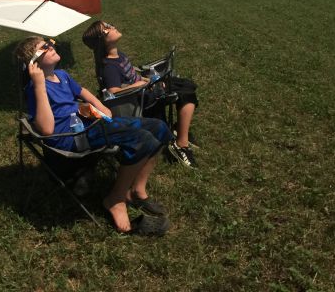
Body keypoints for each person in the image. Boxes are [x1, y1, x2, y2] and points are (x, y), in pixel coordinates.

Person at [14, 36, 173, 235]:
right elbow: (46, 129)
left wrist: (100, 106)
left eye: (50, 42)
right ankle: (115, 199)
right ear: (33, 64)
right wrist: (38, 85)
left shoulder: (62, 75)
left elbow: (83, 91)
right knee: (143, 139)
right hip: (72, 137)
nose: (52, 45)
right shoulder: (35, 88)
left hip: (90, 122)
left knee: (159, 128)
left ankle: (137, 191)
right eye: (44, 47)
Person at [82, 20, 200, 167]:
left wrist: (148, 80)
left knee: (186, 86)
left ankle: (179, 131)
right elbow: (113, 92)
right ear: (102, 41)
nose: (112, 26)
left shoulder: (119, 55)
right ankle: (181, 144)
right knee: (186, 91)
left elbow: (132, 75)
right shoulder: (109, 66)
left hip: (147, 88)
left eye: (110, 24)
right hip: (141, 99)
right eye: (106, 28)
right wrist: (140, 85)